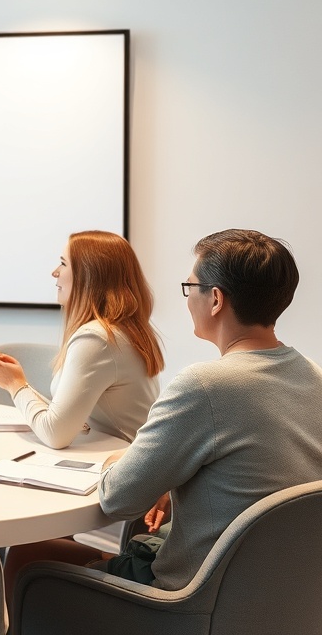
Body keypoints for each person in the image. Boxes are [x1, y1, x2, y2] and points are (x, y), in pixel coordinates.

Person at [97, 229, 322, 590]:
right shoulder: (313, 375)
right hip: (285, 597)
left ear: (215, 299)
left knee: (34, 562)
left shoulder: (205, 385)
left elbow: (117, 499)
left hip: (194, 601)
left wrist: (115, 461)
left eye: (190, 288)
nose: (188, 299)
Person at [0, 230, 164, 448]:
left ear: (88, 275)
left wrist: (15, 385)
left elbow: (55, 434)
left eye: (63, 264)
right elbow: (67, 419)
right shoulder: (125, 329)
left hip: (113, 467)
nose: (55, 272)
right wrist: (20, 384)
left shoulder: (97, 340)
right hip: (123, 457)